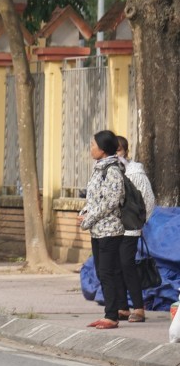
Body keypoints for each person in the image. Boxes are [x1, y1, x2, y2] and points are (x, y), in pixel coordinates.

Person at [78, 130, 126, 330]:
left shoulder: (113, 170)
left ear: (103, 149)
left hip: (110, 230)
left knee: (107, 272)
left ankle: (112, 315)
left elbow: (111, 202)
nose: (91, 149)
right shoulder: (99, 168)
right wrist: (84, 212)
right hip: (98, 230)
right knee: (103, 271)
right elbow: (94, 198)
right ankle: (112, 312)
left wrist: (89, 218)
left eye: (93, 145)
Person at [115, 135, 155, 323]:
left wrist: (139, 220)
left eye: (119, 150)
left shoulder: (135, 174)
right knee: (115, 266)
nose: (116, 155)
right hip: (113, 229)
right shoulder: (110, 172)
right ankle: (122, 307)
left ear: (125, 151)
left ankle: (139, 308)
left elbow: (148, 200)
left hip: (130, 229)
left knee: (127, 264)